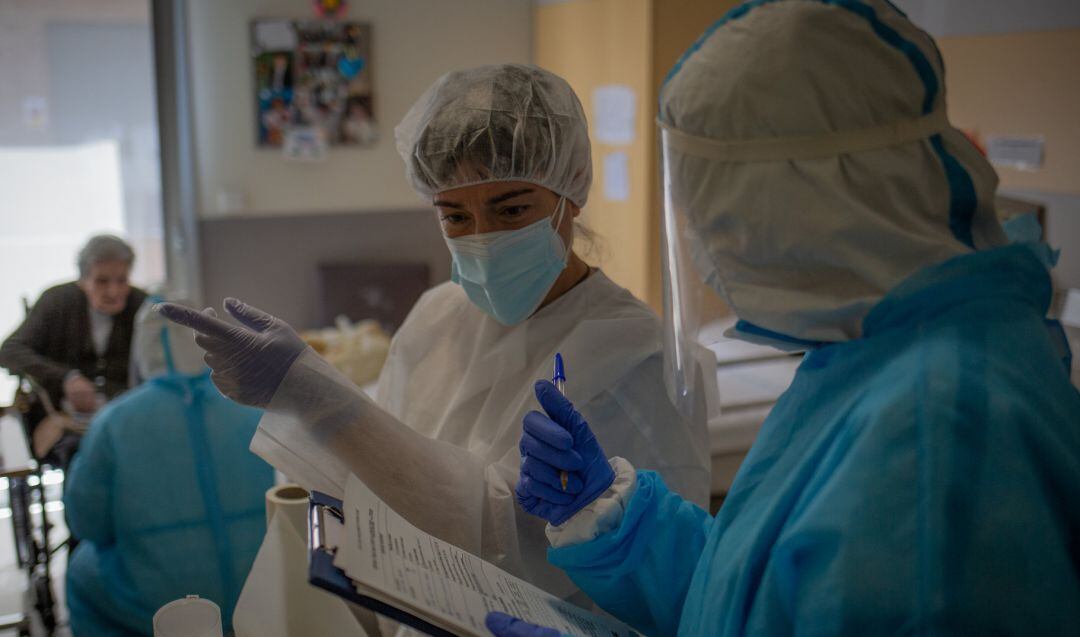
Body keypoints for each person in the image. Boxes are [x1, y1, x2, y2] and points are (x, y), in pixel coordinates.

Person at [487, 1, 1080, 635]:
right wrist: (610, 515)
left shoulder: (941, 434)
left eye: (720, 222)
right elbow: (752, 589)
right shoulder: (865, 356)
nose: (710, 254)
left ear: (816, 204)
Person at [158, 63, 711, 605]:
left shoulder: (636, 353)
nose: (484, 238)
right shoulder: (437, 314)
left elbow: (504, 540)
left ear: (571, 195)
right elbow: (383, 476)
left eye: (511, 208)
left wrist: (315, 393)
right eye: (454, 217)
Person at [64, 297, 273, 637]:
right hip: (262, 597)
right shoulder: (253, 406)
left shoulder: (113, 422)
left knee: (82, 567)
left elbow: (87, 522)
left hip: (154, 608)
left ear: (141, 348)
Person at [0, 234, 146, 467]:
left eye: (122, 280)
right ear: (83, 280)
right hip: (64, 418)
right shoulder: (56, 301)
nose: (113, 291)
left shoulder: (142, 305)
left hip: (125, 413)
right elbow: (10, 350)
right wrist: (66, 377)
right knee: (84, 452)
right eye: (102, 281)